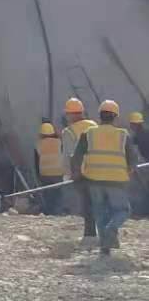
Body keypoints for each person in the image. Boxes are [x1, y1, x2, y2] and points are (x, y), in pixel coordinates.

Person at [71, 99, 143, 256]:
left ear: (100, 116)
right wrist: (129, 171)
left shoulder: (88, 133)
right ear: (115, 117)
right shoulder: (123, 135)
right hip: (116, 181)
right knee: (123, 210)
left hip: (93, 180)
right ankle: (111, 229)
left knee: (100, 212)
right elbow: (133, 160)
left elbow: (76, 158)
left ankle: (105, 248)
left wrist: (77, 176)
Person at [61, 97, 99, 240]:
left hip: (82, 172)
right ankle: (103, 233)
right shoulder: (94, 125)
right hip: (98, 170)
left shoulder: (68, 131)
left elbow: (69, 155)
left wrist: (67, 174)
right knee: (99, 203)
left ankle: (90, 236)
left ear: (70, 114)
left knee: (87, 204)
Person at [34, 121, 66, 215]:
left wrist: (38, 175)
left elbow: (36, 161)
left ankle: (49, 212)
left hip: (45, 174)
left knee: (47, 194)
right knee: (58, 193)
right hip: (58, 173)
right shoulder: (59, 142)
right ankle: (57, 212)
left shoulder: (38, 144)